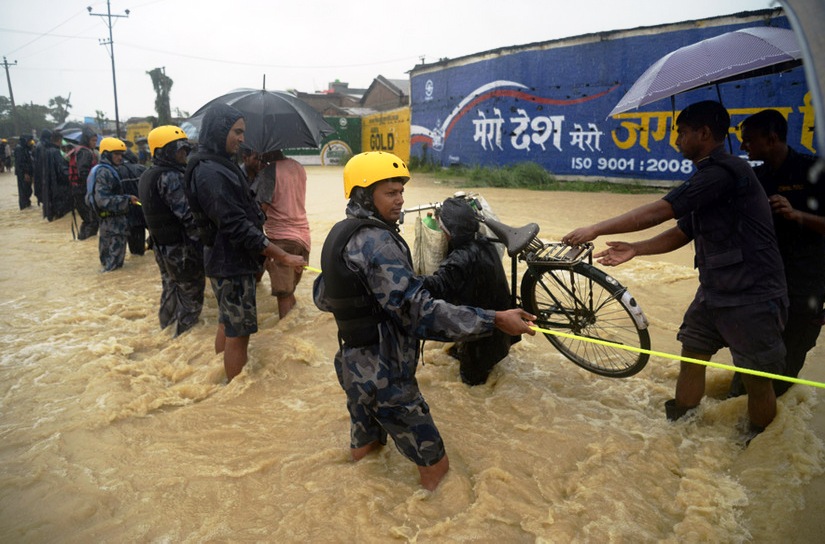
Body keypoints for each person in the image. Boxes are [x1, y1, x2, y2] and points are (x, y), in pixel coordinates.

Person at [312, 151, 537, 491]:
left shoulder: (340, 234)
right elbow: (419, 314)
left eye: (401, 191)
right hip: (386, 375)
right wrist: (494, 320)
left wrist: (375, 296)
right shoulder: (379, 243)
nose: (400, 200)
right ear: (364, 194)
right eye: (390, 193)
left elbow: (322, 297)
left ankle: (363, 503)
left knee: (366, 448)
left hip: (352, 366)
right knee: (438, 470)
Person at [563, 100, 787, 438]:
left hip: (751, 296)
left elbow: (661, 210)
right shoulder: (711, 176)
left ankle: (758, 446)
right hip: (714, 291)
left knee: (757, 380)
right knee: (693, 353)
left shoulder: (722, 173)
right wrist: (636, 249)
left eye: (681, 133)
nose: (677, 140)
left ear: (704, 133)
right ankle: (680, 429)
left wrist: (596, 229)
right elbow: (683, 230)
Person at [184, 103, 306, 382]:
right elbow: (234, 225)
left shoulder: (218, 165)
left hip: (228, 259)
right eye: (237, 132)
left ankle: (220, 375)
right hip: (230, 262)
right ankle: (235, 392)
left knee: (227, 323)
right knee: (239, 333)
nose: (242, 139)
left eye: (243, 132)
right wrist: (281, 255)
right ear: (219, 130)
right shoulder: (211, 172)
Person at [733, 109, 825, 397]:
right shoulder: (754, 176)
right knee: (749, 366)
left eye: (748, 140)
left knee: (785, 368)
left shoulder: (815, 171)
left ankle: (767, 435)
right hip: (762, 284)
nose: (743, 147)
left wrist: (795, 214)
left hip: (805, 287)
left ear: (771, 139)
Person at [421, 196, 518, 385]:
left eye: (442, 227)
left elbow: (436, 288)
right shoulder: (485, 243)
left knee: (472, 386)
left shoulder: (459, 260)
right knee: (457, 354)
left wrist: (405, 280)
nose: (441, 230)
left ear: (451, 230)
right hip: (503, 327)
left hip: (482, 335)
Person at [139, 125, 205, 336]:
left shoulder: (147, 174)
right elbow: (188, 217)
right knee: (191, 296)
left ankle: (165, 334)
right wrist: (206, 243)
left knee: (170, 290)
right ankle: (184, 341)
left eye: (185, 149)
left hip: (161, 246)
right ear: (163, 152)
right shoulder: (171, 177)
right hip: (181, 250)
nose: (183, 154)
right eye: (178, 150)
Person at [254, 150, 310, 319]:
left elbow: (260, 211)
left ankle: (286, 339)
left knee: (283, 296)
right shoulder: (298, 167)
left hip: (281, 241)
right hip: (303, 237)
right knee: (289, 291)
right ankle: (296, 330)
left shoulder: (269, 172)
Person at [88, 137, 139, 272]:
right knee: (114, 267)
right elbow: (102, 200)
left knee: (108, 266)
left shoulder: (100, 169)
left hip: (107, 223)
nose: (120, 157)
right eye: (116, 154)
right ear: (106, 154)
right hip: (114, 225)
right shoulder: (105, 172)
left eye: (121, 154)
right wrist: (127, 200)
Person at [117, 152, 148, 255]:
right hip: (144, 206)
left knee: (136, 252)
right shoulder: (142, 168)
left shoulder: (116, 171)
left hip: (129, 209)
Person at [72, 127, 100, 240]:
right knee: (92, 221)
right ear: (86, 140)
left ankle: (82, 241)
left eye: (95, 140)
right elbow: (83, 172)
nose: (94, 143)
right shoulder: (85, 153)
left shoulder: (81, 151)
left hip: (78, 190)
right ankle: (85, 242)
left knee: (89, 220)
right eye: (93, 140)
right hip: (82, 191)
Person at [42, 130, 72, 221]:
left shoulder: (46, 151)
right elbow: (62, 171)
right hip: (59, 187)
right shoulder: (56, 153)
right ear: (59, 140)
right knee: (62, 213)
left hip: (49, 186)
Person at [13, 135, 34, 211]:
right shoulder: (19, 149)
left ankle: (27, 205)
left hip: (28, 173)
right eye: (29, 141)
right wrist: (25, 173)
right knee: (23, 191)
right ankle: (24, 207)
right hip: (23, 174)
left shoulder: (26, 148)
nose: (30, 142)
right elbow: (20, 163)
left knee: (28, 190)